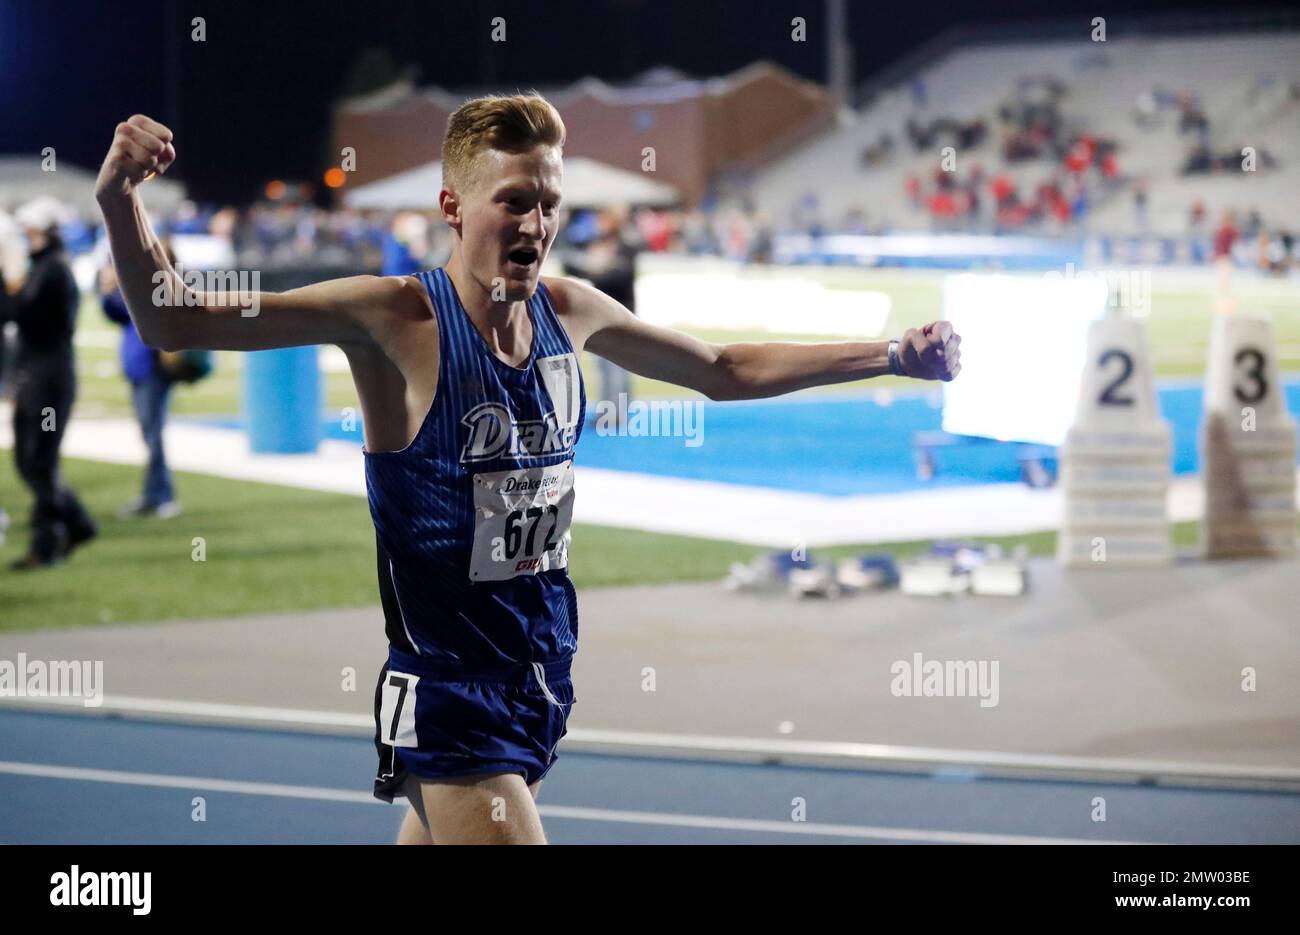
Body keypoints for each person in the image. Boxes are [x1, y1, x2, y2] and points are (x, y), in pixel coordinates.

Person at [95, 97, 961, 844]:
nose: (537, 224)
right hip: (448, 697)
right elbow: (177, 321)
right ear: (453, 207)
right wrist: (120, 198)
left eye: (549, 203)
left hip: (541, 677)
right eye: (514, 201)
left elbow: (724, 368)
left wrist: (890, 353)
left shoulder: (568, 310)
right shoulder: (392, 319)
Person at [2, 198, 97, 569]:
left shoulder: (53, 269)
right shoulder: (44, 266)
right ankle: (71, 525)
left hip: (50, 380)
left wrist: (6, 281)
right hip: (37, 377)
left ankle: (54, 537)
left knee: (38, 461)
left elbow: (21, 312)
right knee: (30, 461)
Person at [100, 244, 182, 518]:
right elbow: (117, 313)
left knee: (153, 433)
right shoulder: (145, 284)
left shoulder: (159, 285)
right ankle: (155, 494)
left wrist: (112, 288)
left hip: (153, 370)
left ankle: (161, 495)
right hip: (140, 369)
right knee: (150, 433)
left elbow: (125, 309)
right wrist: (108, 290)